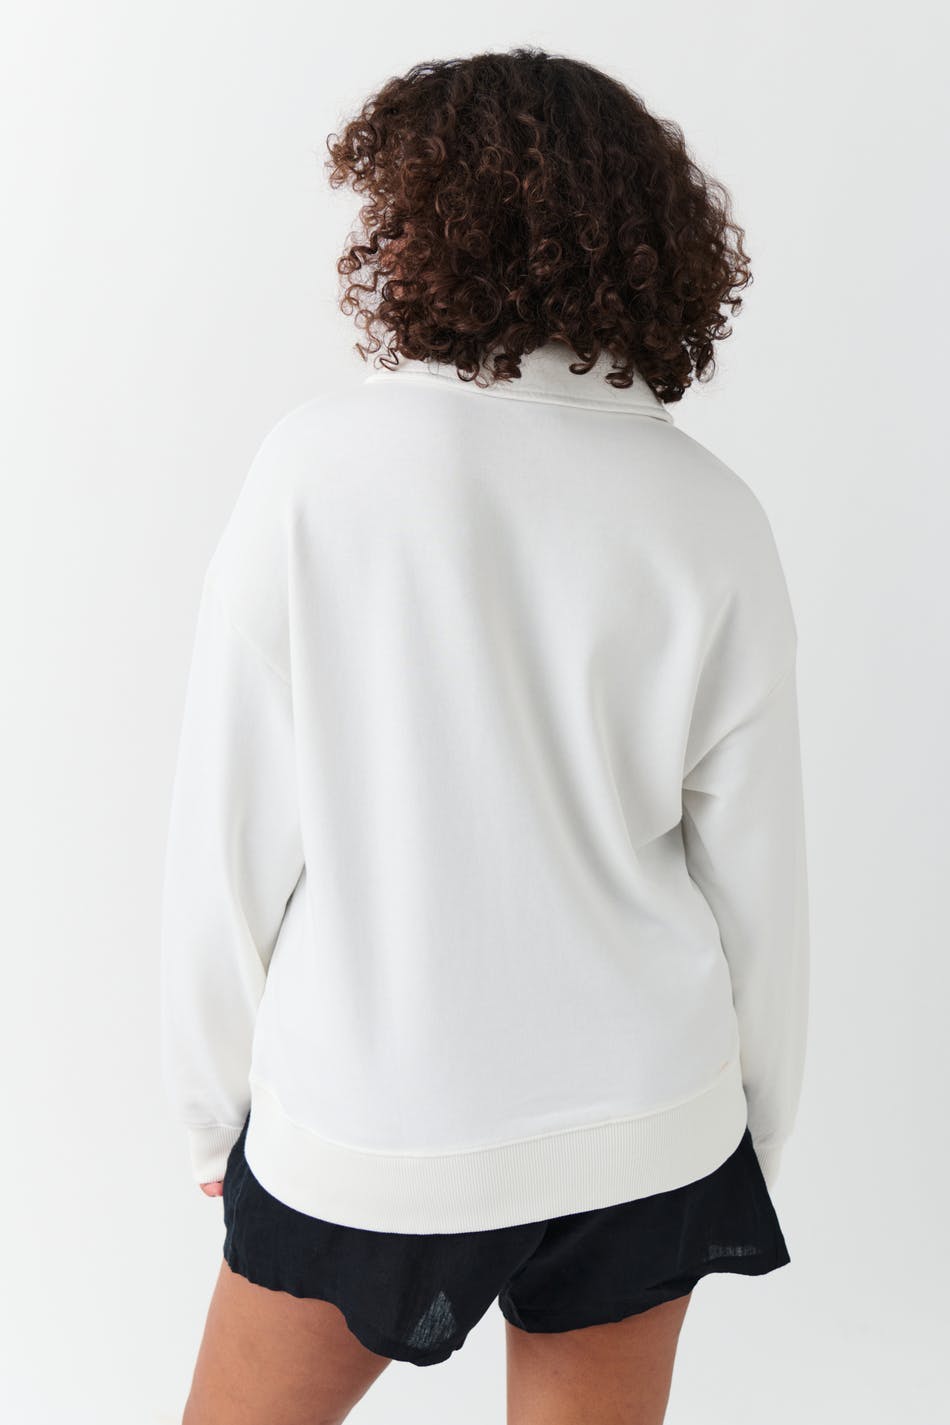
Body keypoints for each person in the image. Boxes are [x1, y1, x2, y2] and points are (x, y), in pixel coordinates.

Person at [160, 45, 810, 1425]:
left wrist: (209, 1105)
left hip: (373, 1118)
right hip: (648, 1124)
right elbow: (759, 877)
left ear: (425, 222)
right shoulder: (709, 509)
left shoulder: (318, 468)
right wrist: (750, 1124)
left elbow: (229, 832)